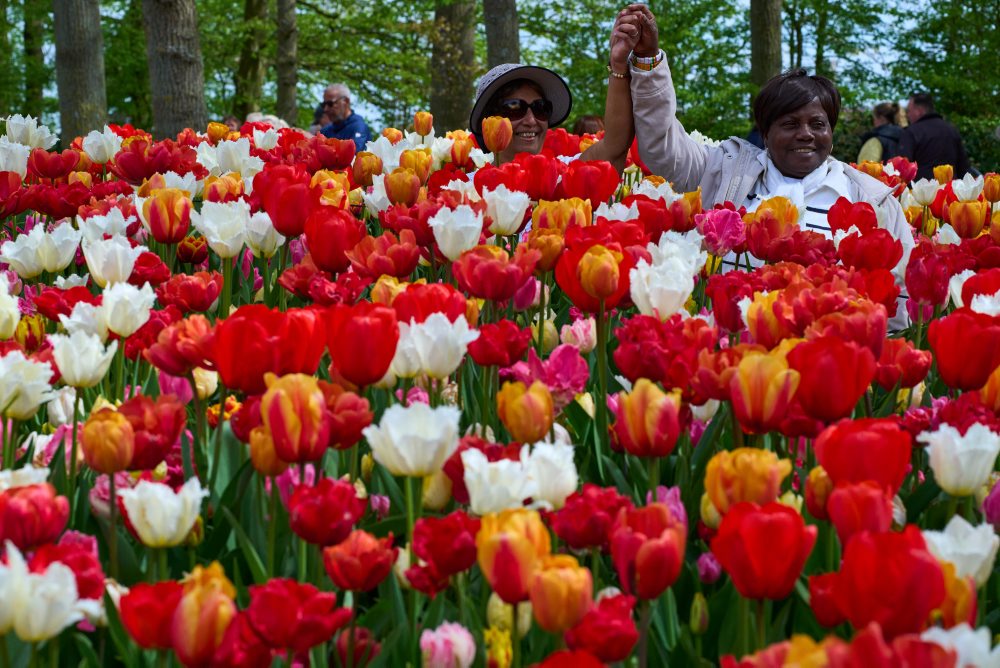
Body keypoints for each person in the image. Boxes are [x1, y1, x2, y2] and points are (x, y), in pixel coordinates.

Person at [619, 3, 912, 326]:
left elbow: (898, 300)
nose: (806, 135)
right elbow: (661, 146)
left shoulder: (873, 201)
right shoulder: (724, 170)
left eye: (818, 124)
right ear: (765, 132)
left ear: (831, 130)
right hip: (731, 347)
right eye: (790, 124)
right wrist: (648, 64)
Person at [468, 14, 639, 172]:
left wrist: (618, 65)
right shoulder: (467, 192)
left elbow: (615, 146)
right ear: (487, 122)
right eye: (514, 107)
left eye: (540, 108)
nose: (531, 120)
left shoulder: (562, 174)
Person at [899, 92, 971, 181]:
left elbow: (904, 167)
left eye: (909, 111)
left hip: (921, 190)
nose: (907, 115)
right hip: (950, 190)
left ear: (919, 110)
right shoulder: (951, 130)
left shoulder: (911, 132)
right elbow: (963, 167)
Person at [320, 83, 372, 152]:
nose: (325, 109)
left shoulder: (359, 127)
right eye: (323, 105)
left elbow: (353, 153)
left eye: (330, 104)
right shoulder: (325, 131)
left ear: (346, 101)